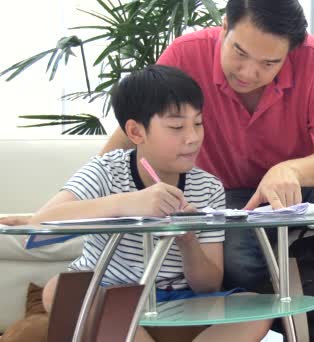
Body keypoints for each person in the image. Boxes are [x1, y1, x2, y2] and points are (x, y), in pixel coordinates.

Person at [1, 0, 314, 340]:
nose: (250, 71)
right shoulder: (185, 56)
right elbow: (136, 125)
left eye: (270, 63)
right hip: (227, 198)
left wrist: (287, 168)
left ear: (293, 53)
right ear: (224, 30)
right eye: (240, 52)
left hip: (295, 187)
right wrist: (114, 183)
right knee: (239, 260)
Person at [28, 65, 271, 342]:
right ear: (135, 131)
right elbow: (38, 227)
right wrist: (129, 202)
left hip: (180, 301)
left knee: (257, 308)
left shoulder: (208, 187)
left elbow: (208, 285)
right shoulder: (105, 171)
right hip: (109, 294)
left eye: (198, 123)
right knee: (58, 289)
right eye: (176, 126)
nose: (192, 137)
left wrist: (188, 240)